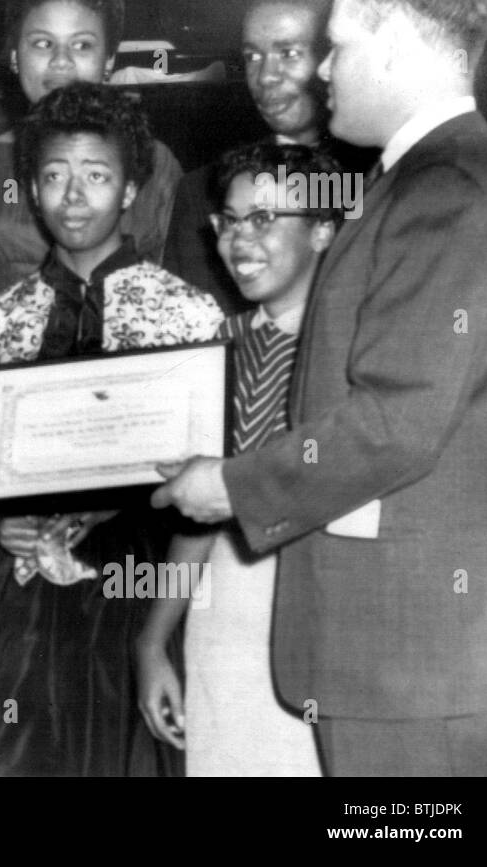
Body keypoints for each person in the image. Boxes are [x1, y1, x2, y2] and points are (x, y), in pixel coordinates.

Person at [152, 0, 487, 777]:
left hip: (415, 657)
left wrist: (231, 485)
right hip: (408, 652)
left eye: (337, 46)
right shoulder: (431, 179)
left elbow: (399, 419)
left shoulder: (446, 189)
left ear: (392, 49)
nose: (320, 70)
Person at [0, 83, 221, 776]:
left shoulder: (187, 316)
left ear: (129, 190)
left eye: (96, 176)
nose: (73, 196)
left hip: (133, 588)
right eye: (55, 176)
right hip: (18, 593)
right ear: (32, 190)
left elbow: (208, 486)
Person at [137, 141, 341, 776]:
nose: (240, 240)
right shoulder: (217, 347)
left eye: (266, 219)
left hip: (318, 616)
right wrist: (152, 640)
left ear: (323, 230)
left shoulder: (353, 353)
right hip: (222, 618)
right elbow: (200, 514)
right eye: (229, 221)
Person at [0, 0, 185, 309]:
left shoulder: (154, 163)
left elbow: (172, 297)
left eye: (82, 45)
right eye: (42, 43)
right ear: (14, 57)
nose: (61, 61)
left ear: (110, 60)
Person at [161, 0, 376, 313]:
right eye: (253, 57)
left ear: (332, 60)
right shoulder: (201, 194)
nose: (265, 78)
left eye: (289, 53)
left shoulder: (380, 181)